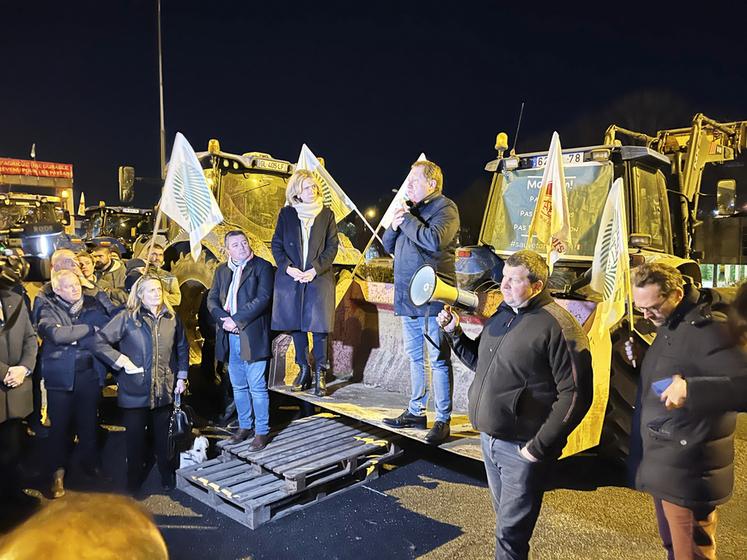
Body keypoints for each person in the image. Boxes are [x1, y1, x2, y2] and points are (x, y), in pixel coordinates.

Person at [437, 250, 592, 560]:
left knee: (510, 534)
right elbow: (479, 362)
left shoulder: (559, 326)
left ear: (536, 286)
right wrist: (455, 332)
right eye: (503, 278)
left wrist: (539, 447)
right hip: (490, 441)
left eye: (513, 280)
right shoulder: (503, 314)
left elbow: (576, 395)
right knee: (507, 526)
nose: (503, 286)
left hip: (522, 448)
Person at [628, 263, 747, 560]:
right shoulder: (672, 323)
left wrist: (693, 389)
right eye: (639, 308)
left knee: (692, 554)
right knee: (675, 548)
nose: (646, 316)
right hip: (669, 464)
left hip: (690, 470)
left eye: (652, 307)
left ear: (677, 294)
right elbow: (675, 372)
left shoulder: (709, 329)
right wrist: (642, 359)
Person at [381, 160, 460, 444]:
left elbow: (435, 240)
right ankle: (416, 410)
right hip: (406, 297)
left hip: (432, 296)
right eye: (408, 181)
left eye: (413, 181)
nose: (408, 186)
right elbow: (388, 246)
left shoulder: (445, 208)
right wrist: (395, 221)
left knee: (438, 359)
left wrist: (409, 220)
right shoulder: (409, 211)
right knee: (415, 358)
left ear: (432, 184)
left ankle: (442, 419)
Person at [91, 274, 189, 493]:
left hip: (164, 390)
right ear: (140, 295)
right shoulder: (126, 318)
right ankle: (134, 477)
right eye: (151, 290)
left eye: (159, 289)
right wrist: (121, 361)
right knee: (134, 441)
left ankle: (166, 473)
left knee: (165, 440)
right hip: (134, 391)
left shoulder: (172, 318)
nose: (157, 294)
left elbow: (182, 347)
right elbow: (99, 342)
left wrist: (181, 376)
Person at [35, 270, 112, 498]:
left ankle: (91, 465)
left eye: (77, 284)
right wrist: (88, 331)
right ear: (57, 289)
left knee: (88, 424)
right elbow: (54, 335)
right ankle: (57, 473)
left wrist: (70, 334)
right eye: (68, 286)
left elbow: (106, 327)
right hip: (60, 379)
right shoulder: (49, 306)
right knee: (59, 429)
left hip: (88, 376)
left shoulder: (92, 304)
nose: (75, 288)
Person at [271, 170, 339, 396]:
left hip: (318, 278)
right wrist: (288, 268)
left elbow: (332, 247)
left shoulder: (327, 215)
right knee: (297, 326)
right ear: (297, 192)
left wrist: (314, 270)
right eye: (308, 187)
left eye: (315, 187)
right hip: (292, 278)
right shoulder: (286, 214)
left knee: (319, 327)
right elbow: (277, 245)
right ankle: (303, 370)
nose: (314, 190)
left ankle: (320, 371)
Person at [207, 230, 273, 450]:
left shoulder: (262, 267)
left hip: (251, 335)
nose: (242, 247)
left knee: (257, 386)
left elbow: (262, 298)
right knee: (238, 386)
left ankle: (262, 431)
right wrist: (222, 319)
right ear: (227, 250)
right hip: (229, 336)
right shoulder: (221, 271)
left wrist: (236, 320)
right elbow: (212, 298)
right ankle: (244, 426)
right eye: (235, 245)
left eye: (244, 242)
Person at [0, 277, 38, 505]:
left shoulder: (15, 300)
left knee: (12, 448)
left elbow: (30, 338)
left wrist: (24, 367)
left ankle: (12, 494)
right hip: (6, 379)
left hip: (15, 389)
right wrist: (4, 372)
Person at [125, 243, 181, 307]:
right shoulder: (140, 273)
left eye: (160, 255)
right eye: (154, 254)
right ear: (146, 256)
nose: (157, 258)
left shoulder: (170, 276)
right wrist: (166, 295)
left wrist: (152, 298)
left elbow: (177, 300)